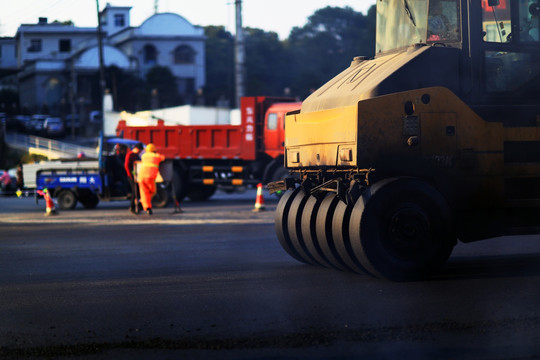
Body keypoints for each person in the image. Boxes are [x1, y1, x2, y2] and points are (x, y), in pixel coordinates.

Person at [138, 143, 165, 215]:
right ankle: (143, 203)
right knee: (152, 192)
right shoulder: (156, 156)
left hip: (141, 177)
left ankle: (146, 206)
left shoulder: (143, 156)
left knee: (144, 193)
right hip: (150, 177)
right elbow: (163, 158)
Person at [124, 142, 144, 214]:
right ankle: (132, 207)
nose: (140, 152)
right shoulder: (130, 155)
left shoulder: (136, 155)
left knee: (137, 192)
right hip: (131, 176)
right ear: (137, 149)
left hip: (136, 176)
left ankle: (137, 207)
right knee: (135, 192)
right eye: (140, 150)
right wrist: (130, 175)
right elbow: (126, 166)